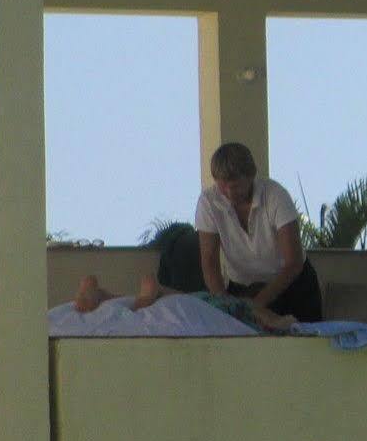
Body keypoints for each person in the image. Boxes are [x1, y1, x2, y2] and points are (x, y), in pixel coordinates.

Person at [193, 142, 324, 321]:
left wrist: (255, 305)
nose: (230, 193)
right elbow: (209, 263)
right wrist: (226, 306)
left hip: (291, 286)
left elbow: (293, 262)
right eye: (223, 186)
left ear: (251, 175)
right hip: (242, 287)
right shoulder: (208, 202)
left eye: (236, 186)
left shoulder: (275, 196)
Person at [68, 271, 298, 333]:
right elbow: (280, 322)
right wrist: (286, 323)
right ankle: (148, 293)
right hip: (208, 305)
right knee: (159, 298)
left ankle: (101, 294)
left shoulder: (231, 304)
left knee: (154, 299)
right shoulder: (244, 306)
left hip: (199, 301)